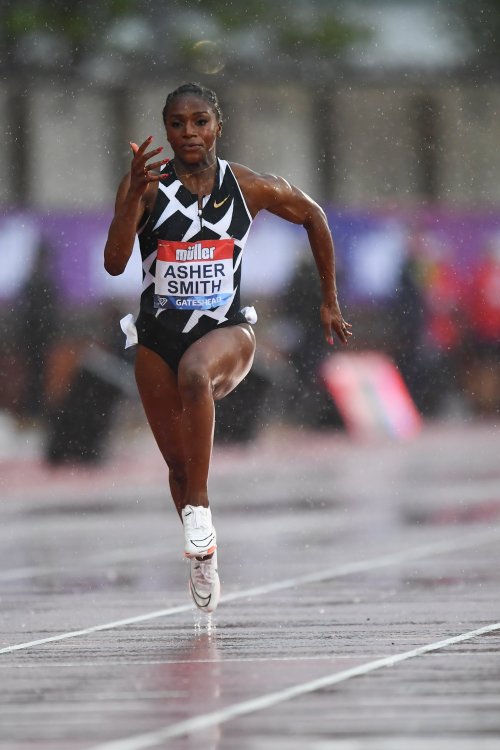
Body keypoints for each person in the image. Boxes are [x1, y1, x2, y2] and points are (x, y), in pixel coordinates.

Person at [104, 82, 351, 614]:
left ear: (218, 126)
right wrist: (131, 196)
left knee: (196, 374)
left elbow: (313, 216)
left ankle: (199, 508)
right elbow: (114, 261)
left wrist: (329, 300)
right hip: (157, 337)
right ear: (166, 130)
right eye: (177, 124)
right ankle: (203, 557)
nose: (189, 133)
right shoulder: (148, 187)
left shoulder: (248, 186)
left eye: (200, 122)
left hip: (228, 331)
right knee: (178, 466)